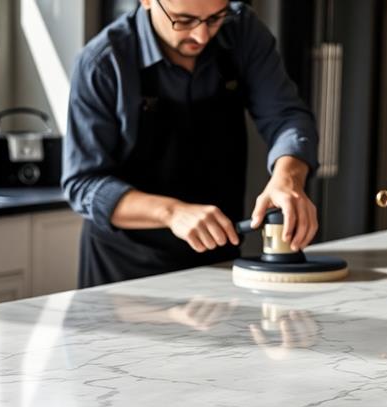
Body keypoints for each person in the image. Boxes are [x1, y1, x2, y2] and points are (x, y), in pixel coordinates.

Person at [62, 0, 320, 288]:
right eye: (183, 21)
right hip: (124, 274)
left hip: (219, 257)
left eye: (214, 18)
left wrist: (288, 178)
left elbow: (286, 117)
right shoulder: (102, 63)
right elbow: (83, 184)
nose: (201, 36)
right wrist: (171, 212)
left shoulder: (242, 30)